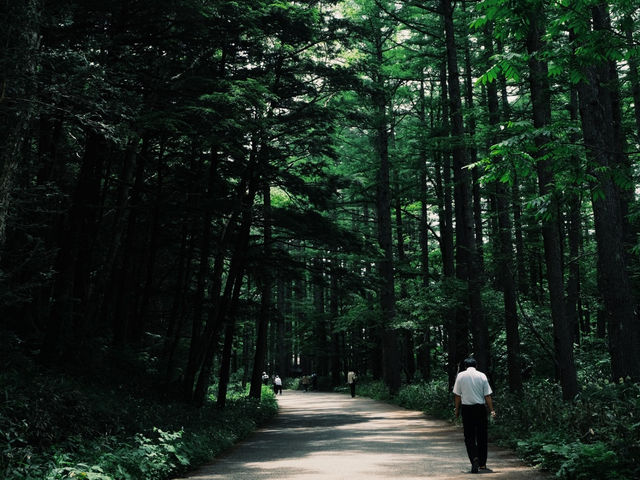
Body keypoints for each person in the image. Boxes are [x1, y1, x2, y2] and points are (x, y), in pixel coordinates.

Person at [453, 357, 497, 474]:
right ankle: (482, 463)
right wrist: (492, 410)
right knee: (482, 436)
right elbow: (487, 395)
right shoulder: (482, 376)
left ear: (465, 366)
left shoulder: (461, 376)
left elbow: (457, 396)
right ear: (476, 366)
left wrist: (457, 410)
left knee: (469, 436)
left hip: (467, 409)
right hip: (480, 409)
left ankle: (474, 459)